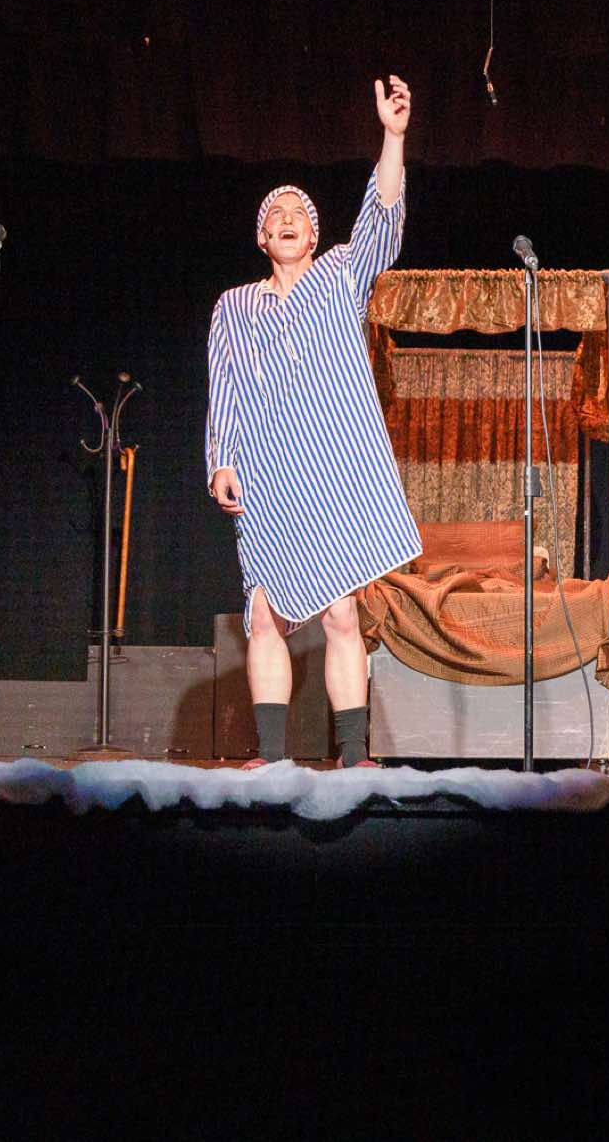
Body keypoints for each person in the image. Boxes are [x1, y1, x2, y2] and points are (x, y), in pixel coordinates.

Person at [206, 76, 420, 768]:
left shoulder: (339, 276)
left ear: (315, 232)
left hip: (331, 465)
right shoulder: (234, 306)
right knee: (263, 610)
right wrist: (221, 459)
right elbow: (224, 387)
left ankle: (352, 754)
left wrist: (392, 137)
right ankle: (272, 757)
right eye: (275, 214)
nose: (287, 218)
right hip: (267, 471)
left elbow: (380, 222)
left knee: (340, 611)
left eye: (299, 211)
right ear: (262, 236)